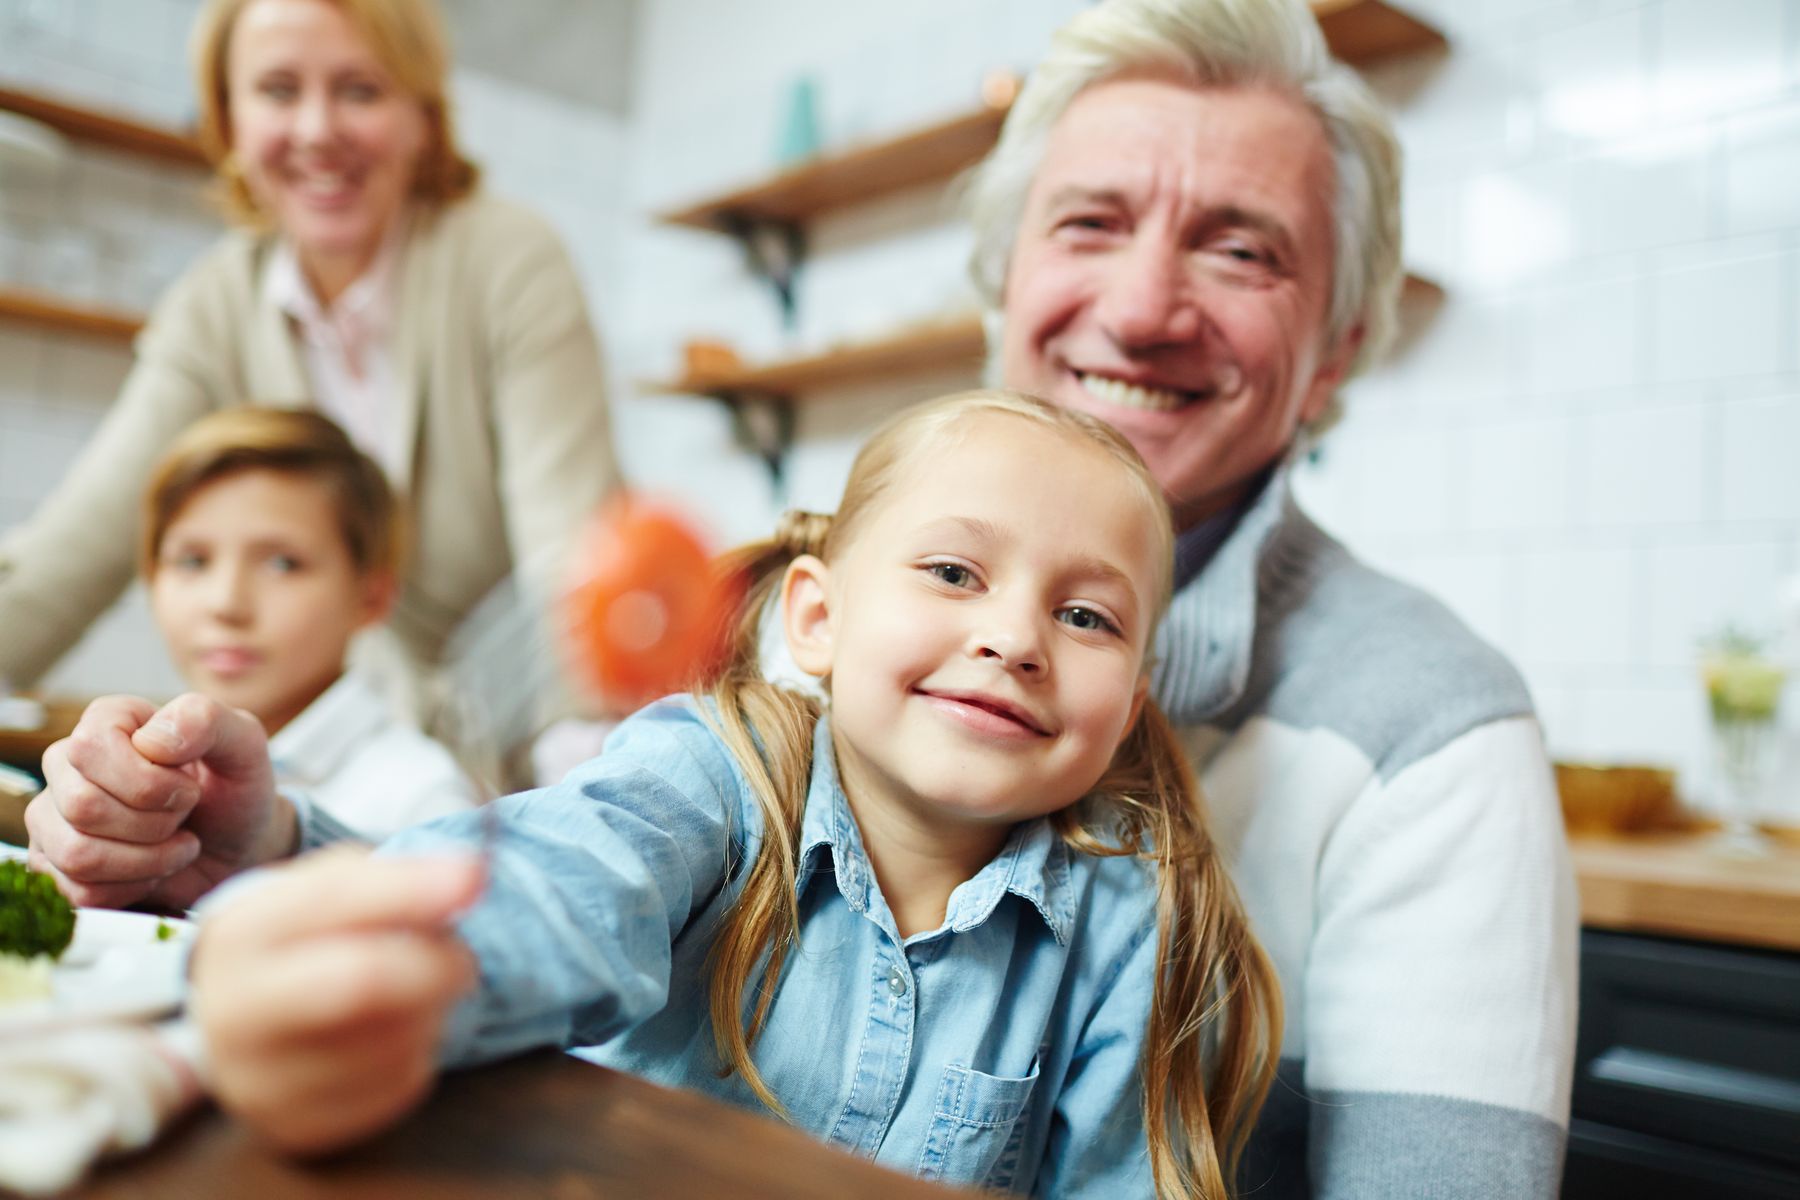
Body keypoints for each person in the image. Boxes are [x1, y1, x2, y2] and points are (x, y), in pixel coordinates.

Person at [178, 390, 1278, 1197]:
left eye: (1087, 617)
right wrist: (390, 976)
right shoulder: (714, 771)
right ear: (818, 619)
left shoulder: (1129, 926)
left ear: (1129, 705)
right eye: (954, 573)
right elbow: (564, 880)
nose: (1013, 638)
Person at [961, 0, 1577, 1196]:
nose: (1140, 311)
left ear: (1337, 348)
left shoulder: (1433, 746)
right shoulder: (815, 624)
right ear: (1003, 281)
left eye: (1240, 251)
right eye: (1090, 222)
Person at [0, 0, 618, 744]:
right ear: (229, 121)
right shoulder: (212, 307)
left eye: (359, 89)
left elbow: (575, 565)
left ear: (422, 116)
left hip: (528, 755)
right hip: (331, 760)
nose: (317, 131)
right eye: (279, 90)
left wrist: (580, 769)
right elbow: (63, 563)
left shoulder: (508, 262)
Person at [143, 407, 476, 836]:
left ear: (371, 597)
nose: (226, 603)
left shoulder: (424, 800)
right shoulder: (148, 769)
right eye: (192, 561)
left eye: (283, 564)